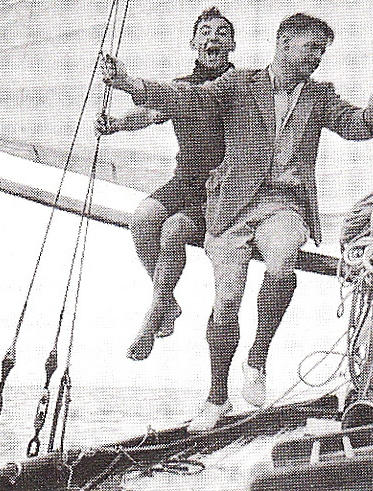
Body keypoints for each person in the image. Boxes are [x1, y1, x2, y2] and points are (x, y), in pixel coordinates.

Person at [103, 13, 373, 431]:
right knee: (226, 304)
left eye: (322, 51)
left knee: (281, 259)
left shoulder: (320, 95)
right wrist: (131, 84)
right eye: (312, 48)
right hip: (232, 208)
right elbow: (188, 99)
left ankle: (257, 359)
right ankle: (216, 398)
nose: (317, 58)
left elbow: (354, 126)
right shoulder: (240, 85)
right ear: (285, 43)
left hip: (284, 206)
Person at [95, 7, 235, 361]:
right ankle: (166, 302)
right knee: (142, 219)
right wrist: (115, 125)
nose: (212, 38)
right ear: (192, 42)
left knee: (173, 229)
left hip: (222, 189)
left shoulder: (241, 87)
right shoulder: (182, 86)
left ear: (232, 45)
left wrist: (130, 83)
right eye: (204, 32)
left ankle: (152, 315)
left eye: (221, 33)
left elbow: (176, 100)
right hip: (184, 182)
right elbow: (152, 112)